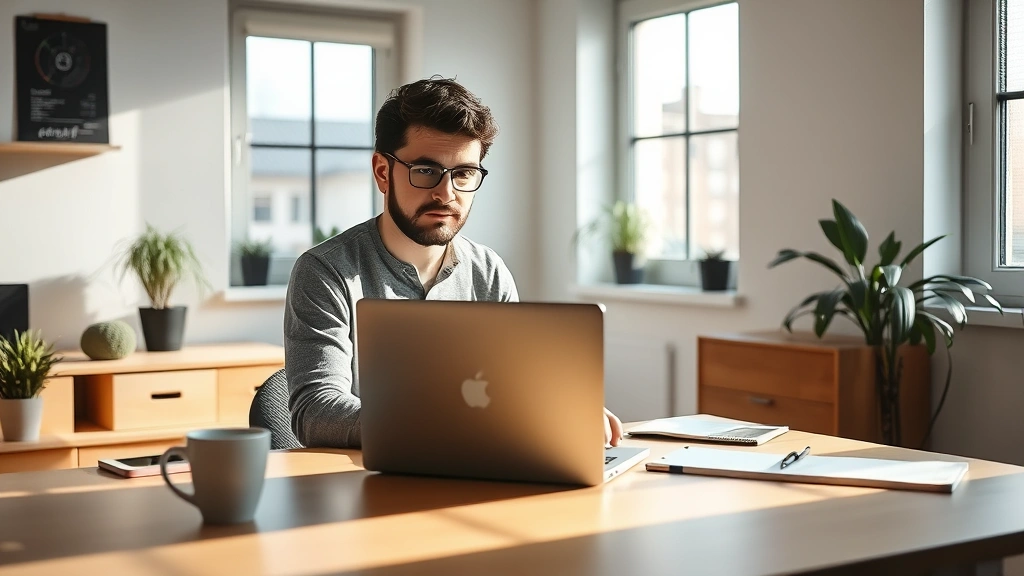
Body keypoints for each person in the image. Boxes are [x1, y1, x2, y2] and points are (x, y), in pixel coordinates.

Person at [283, 77, 623, 449]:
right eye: (426, 171)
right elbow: (315, 410)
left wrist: (562, 410)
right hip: (366, 485)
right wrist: (442, 425)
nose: (446, 193)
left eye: (463, 173)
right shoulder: (325, 271)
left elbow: (513, 389)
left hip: (477, 474)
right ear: (383, 172)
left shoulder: (488, 272)